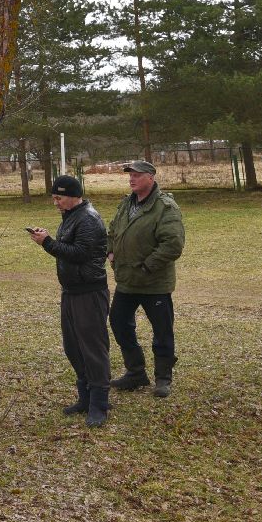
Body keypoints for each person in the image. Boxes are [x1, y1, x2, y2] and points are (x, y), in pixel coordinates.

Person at [29, 174, 111, 428]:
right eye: (53, 197)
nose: (55, 202)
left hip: (89, 293)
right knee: (73, 346)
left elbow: (80, 254)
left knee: (93, 348)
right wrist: (49, 241)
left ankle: (99, 403)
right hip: (72, 291)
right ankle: (85, 397)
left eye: (59, 197)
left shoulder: (88, 219)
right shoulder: (70, 217)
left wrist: (47, 243)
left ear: (74, 195)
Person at [107, 159, 185, 398]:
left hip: (154, 283)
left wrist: (147, 267)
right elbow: (113, 230)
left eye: (137, 175)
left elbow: (173, 244)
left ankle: (163, 378)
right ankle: (136, 372)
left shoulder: (165, 207)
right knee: (119, 322)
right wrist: (110, 250)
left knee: (162, 331)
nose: (132, 178)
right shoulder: (126, 204)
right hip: (127, 281)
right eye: (130, 174)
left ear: (151, 177)